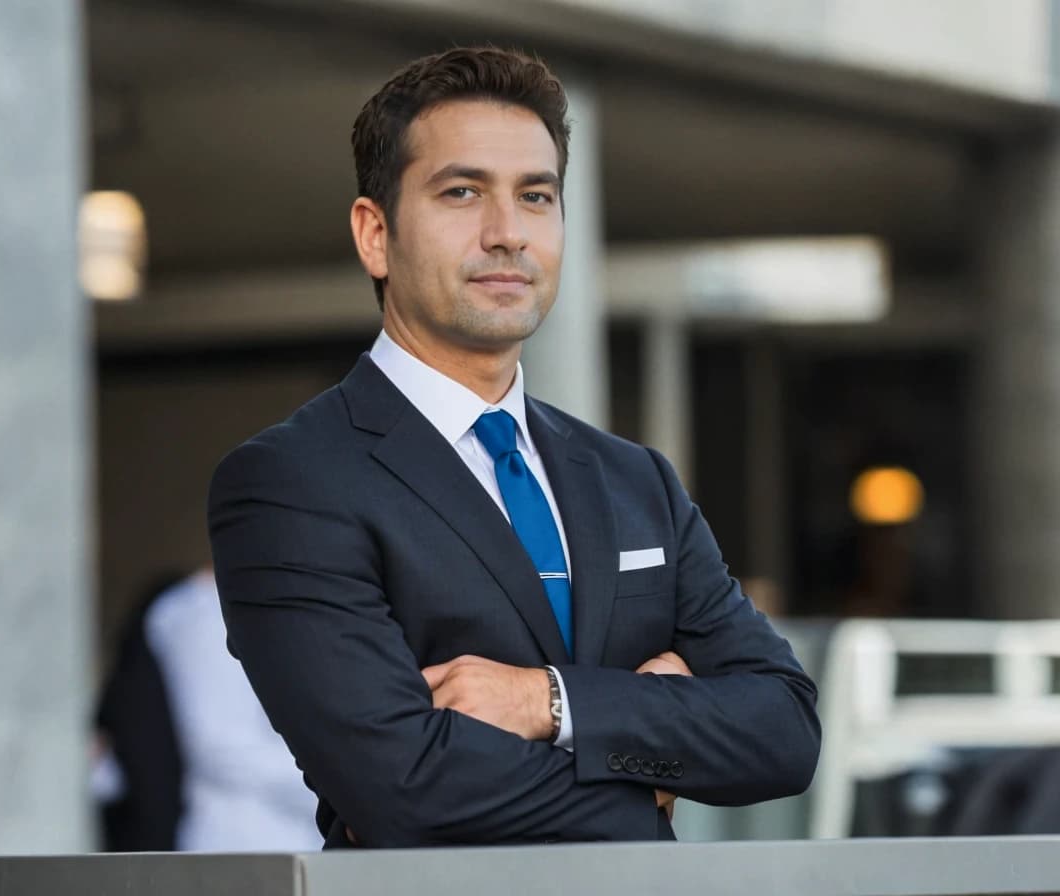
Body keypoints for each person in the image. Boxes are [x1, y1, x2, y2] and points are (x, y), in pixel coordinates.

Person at [208, 46, 820, 849]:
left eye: (536, 196)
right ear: (375, 234)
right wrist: (658, 766)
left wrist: (554, 703)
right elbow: (405, 788)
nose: (507, 234)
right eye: (461, 192)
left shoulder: (635, 481)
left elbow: (783, 730)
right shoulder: (292, 483)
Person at [94, 568, 322, 852]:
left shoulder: (296, 599)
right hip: (238, 841)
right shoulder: (202, 610)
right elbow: (222, 746)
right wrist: (336, 783)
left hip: (295, 835)